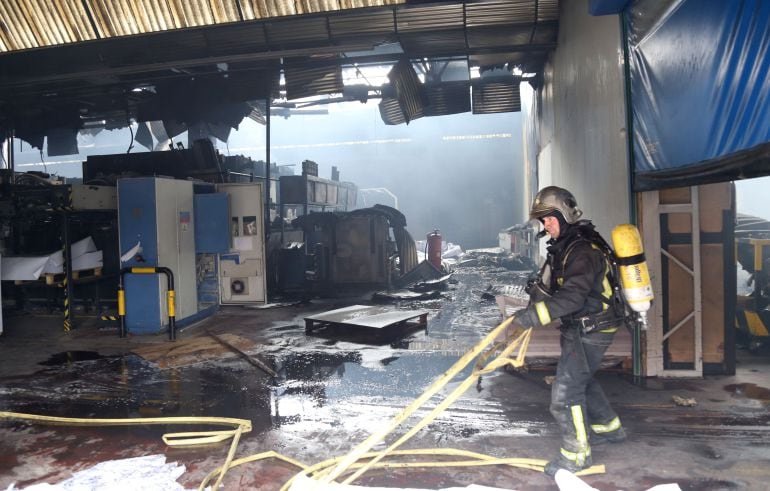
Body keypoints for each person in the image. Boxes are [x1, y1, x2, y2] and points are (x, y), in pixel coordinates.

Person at [513, 186, 627, 476]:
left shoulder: (582, 251)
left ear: (563, 215)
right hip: (583, 325)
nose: (545, 226)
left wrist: (534, 316)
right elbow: (550, 288)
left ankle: (576, 455)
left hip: (592, 327)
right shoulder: (568, 246)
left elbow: (573, 297)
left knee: (565, 392)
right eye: (543, 221)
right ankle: (610, 428)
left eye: (549, 219)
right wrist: (531, 306)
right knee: (581, 379)